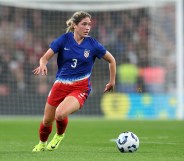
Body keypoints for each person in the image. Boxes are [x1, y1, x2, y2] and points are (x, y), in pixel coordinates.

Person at [32, 11, 116, 152]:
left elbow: (112, 60)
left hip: (80, 88)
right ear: (75, 25)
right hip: (60, 85)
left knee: (60, 114)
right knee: (47, 120)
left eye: (89, 24)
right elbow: (44, 57)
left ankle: (59, 135)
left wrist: (112, 81)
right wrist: (42, 64)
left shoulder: (93, 44)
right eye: (84, 24)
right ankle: (42, 143)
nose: (87, 27)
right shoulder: (64, 40)